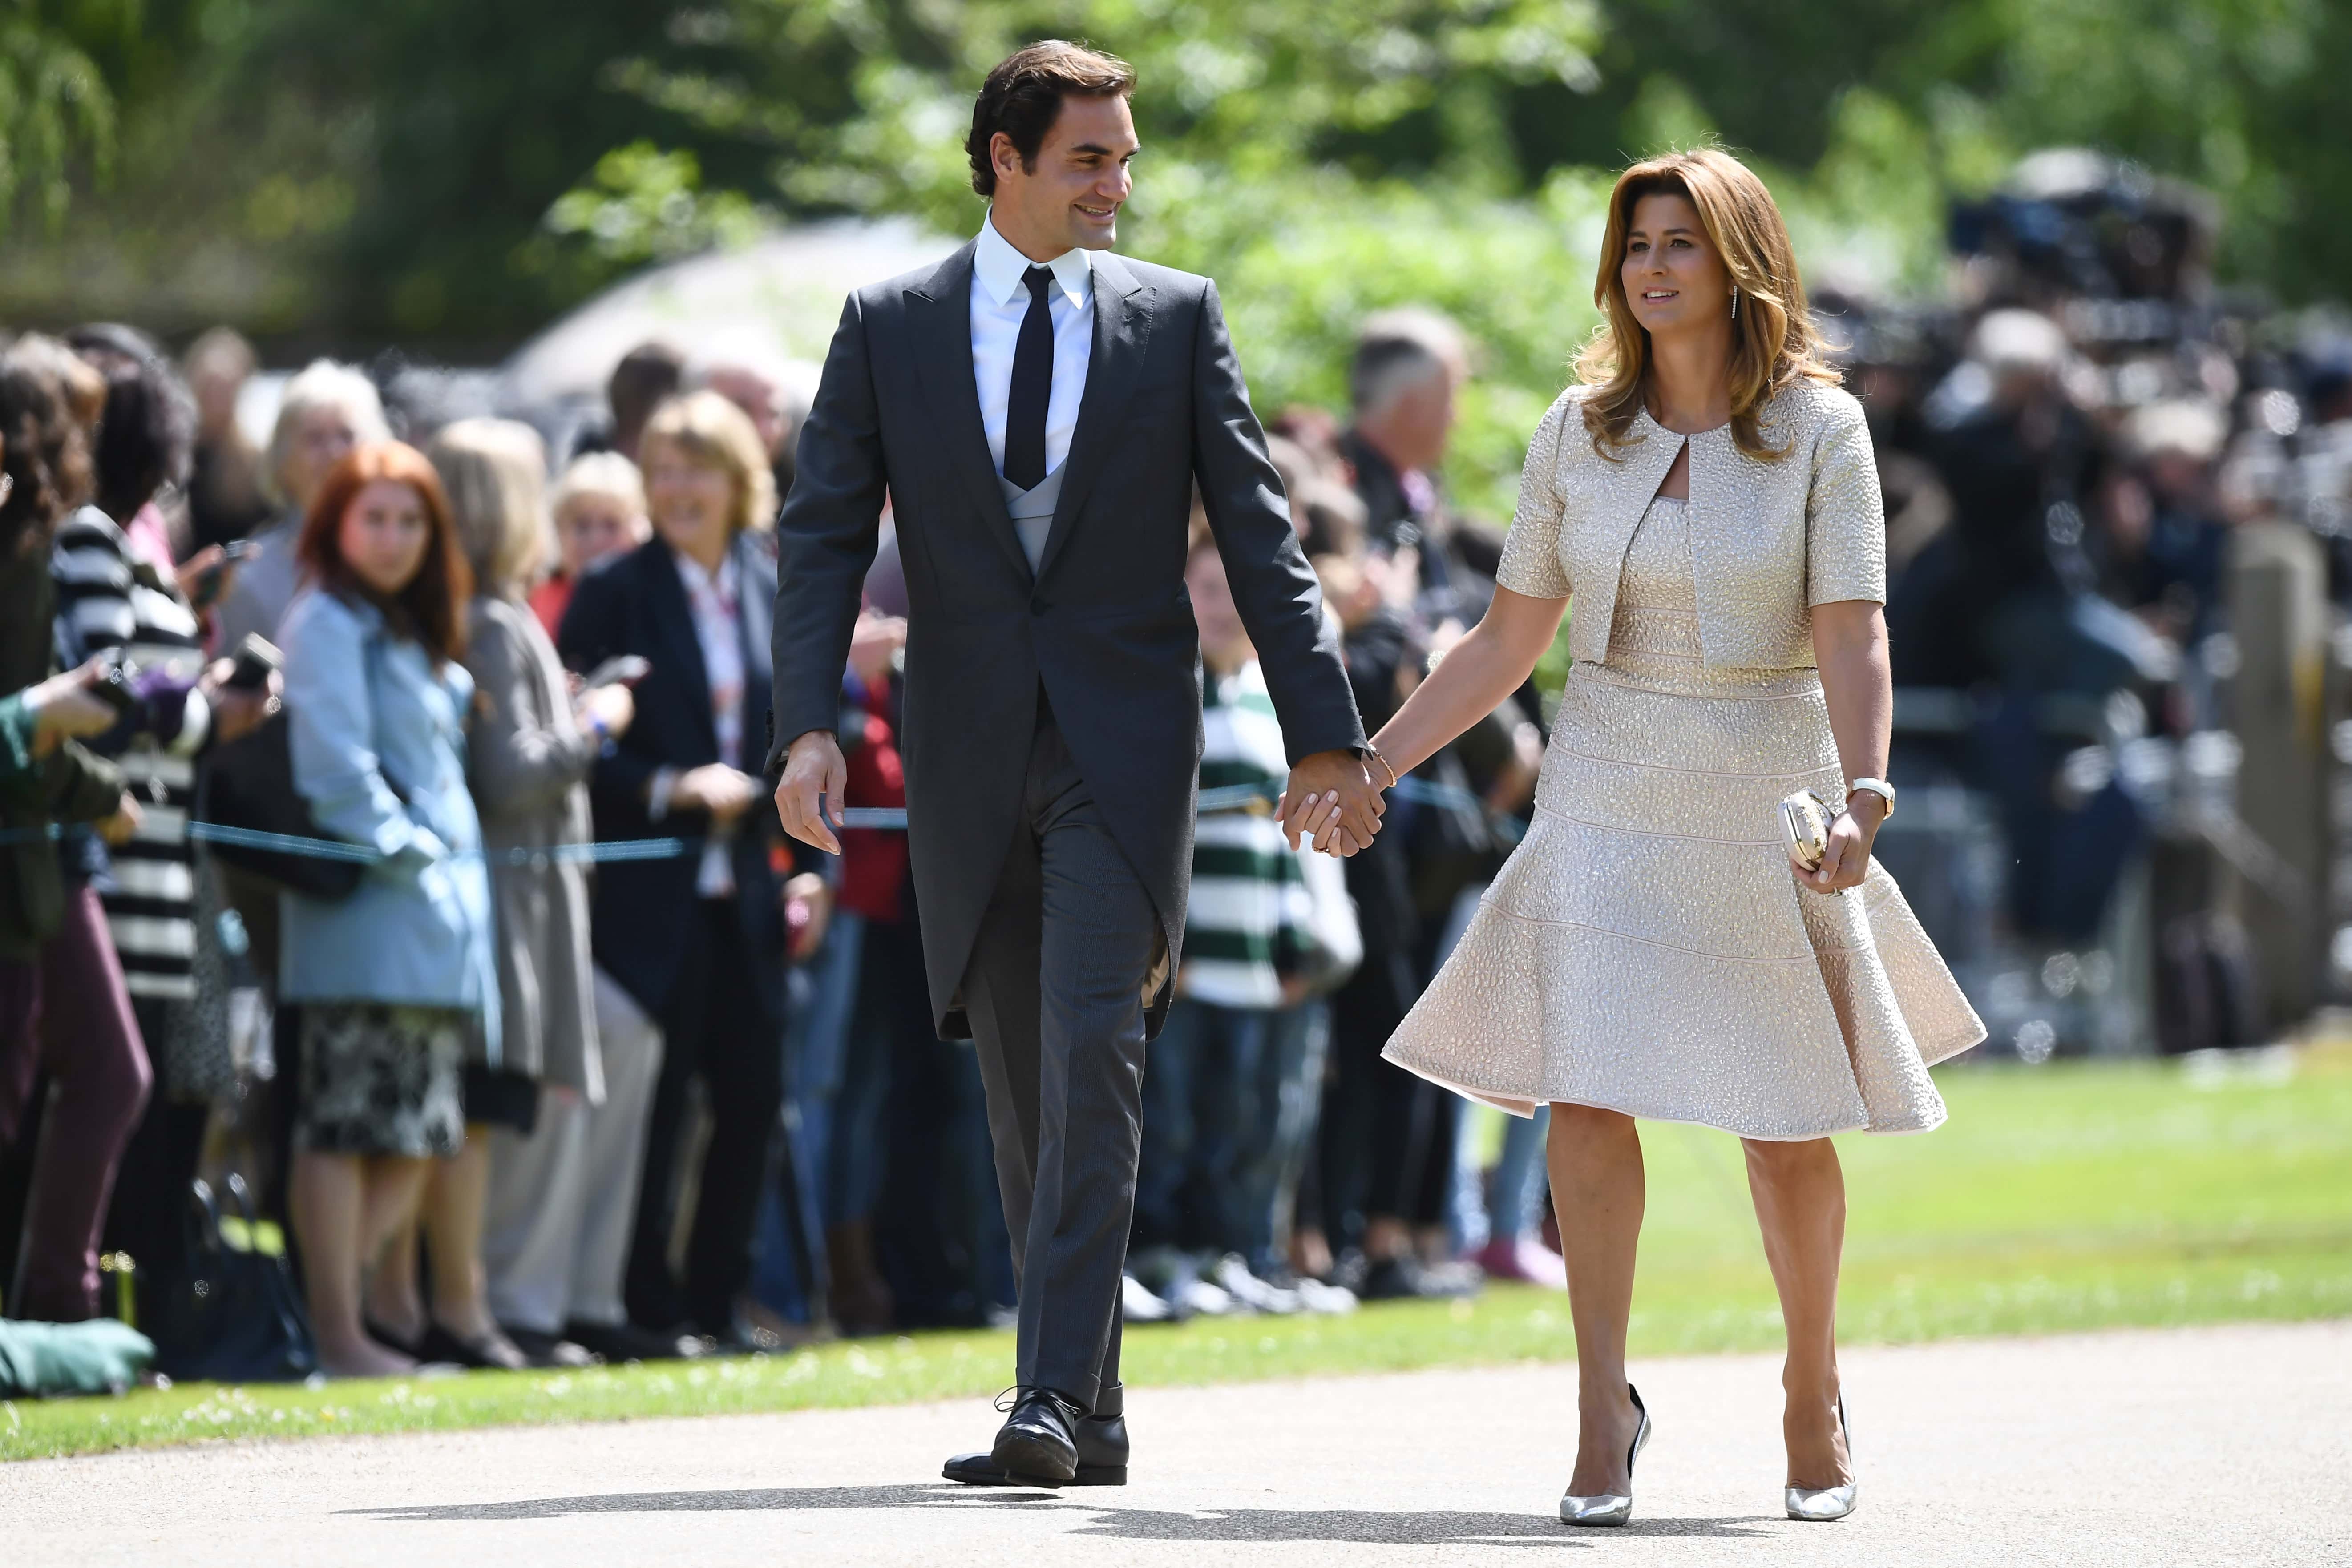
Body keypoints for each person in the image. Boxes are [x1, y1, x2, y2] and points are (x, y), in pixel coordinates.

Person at [1334, 149, 1986, 1525]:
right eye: (1636, 243)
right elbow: (1509, 638)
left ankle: (1810, 1386)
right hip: (1608, 776)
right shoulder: (1577, 429)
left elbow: (1853, 629)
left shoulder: (1823, 429)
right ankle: (1598, 1409)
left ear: (1738, 259)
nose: (1651, 267)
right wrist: (1377, 759)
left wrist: (1864, 795)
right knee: (1585, 1089)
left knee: (1784, 1118)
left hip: (1767, 780)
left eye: (1680, 242)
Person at [768, 40, 1379, 1488]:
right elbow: (820, 535)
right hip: (964, 753)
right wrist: (804, 721)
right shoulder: (888, 322)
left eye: (1124, 158)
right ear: (1004, 158)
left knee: (1095, 1048)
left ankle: (1043, 1395)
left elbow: (1259, 538)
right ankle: (1090, 1404)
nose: (1116, 183)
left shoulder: (1175, 319)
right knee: (1025, 1087)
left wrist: (1324, 731)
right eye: (1087, 158)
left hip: (1126, 748)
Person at [558, 389, 829, 1349]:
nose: (677, 487)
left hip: (747, 893)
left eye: (696, 466)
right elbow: (579, 746)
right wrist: (672, 782)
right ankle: (644, 1307)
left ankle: (719, 1304)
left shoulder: (767, 581)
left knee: (751, 1097)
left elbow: (794, 735)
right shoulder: (613, 589)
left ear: (737, 480)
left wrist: (807, 870)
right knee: (660, 1108)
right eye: (662, 469)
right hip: (650, 891)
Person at [276, 441, 499, 1378]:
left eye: (412, 520)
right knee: (346, 1129)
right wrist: (416, 858)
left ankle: (345, 1328)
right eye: (375, 517)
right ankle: (330, 1332)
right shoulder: (326, 620)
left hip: (434, 933)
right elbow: (335, 772)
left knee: (413, 1137)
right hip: (367, 922)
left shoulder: (406, 629)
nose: (396, 537)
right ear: (335, 523)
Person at [0, 339, 152, 1324]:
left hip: (44, 850)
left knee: (103, 1066)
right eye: (77, 427)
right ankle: (55, 1307)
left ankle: (60, 1308)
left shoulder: (32, 546)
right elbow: (29, 718)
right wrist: (102, 790)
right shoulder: (22, 553)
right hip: (28, 853)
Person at [208, 359, 393, 659]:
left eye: (347, 435)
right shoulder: (252, 576)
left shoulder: (399, 556)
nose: (334, 453)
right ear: (283, 460)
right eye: (315, 438)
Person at [530, 452, 649, 638]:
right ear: (559, 531)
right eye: (582, 525)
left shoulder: (651, 601)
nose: (596, 540)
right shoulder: (537, 602)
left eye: (612, 525)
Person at [182, 327, 273, 553]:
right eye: (210, 386)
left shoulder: (255, 463)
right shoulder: (174, 457)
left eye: (226, 388)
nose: (217, 397)